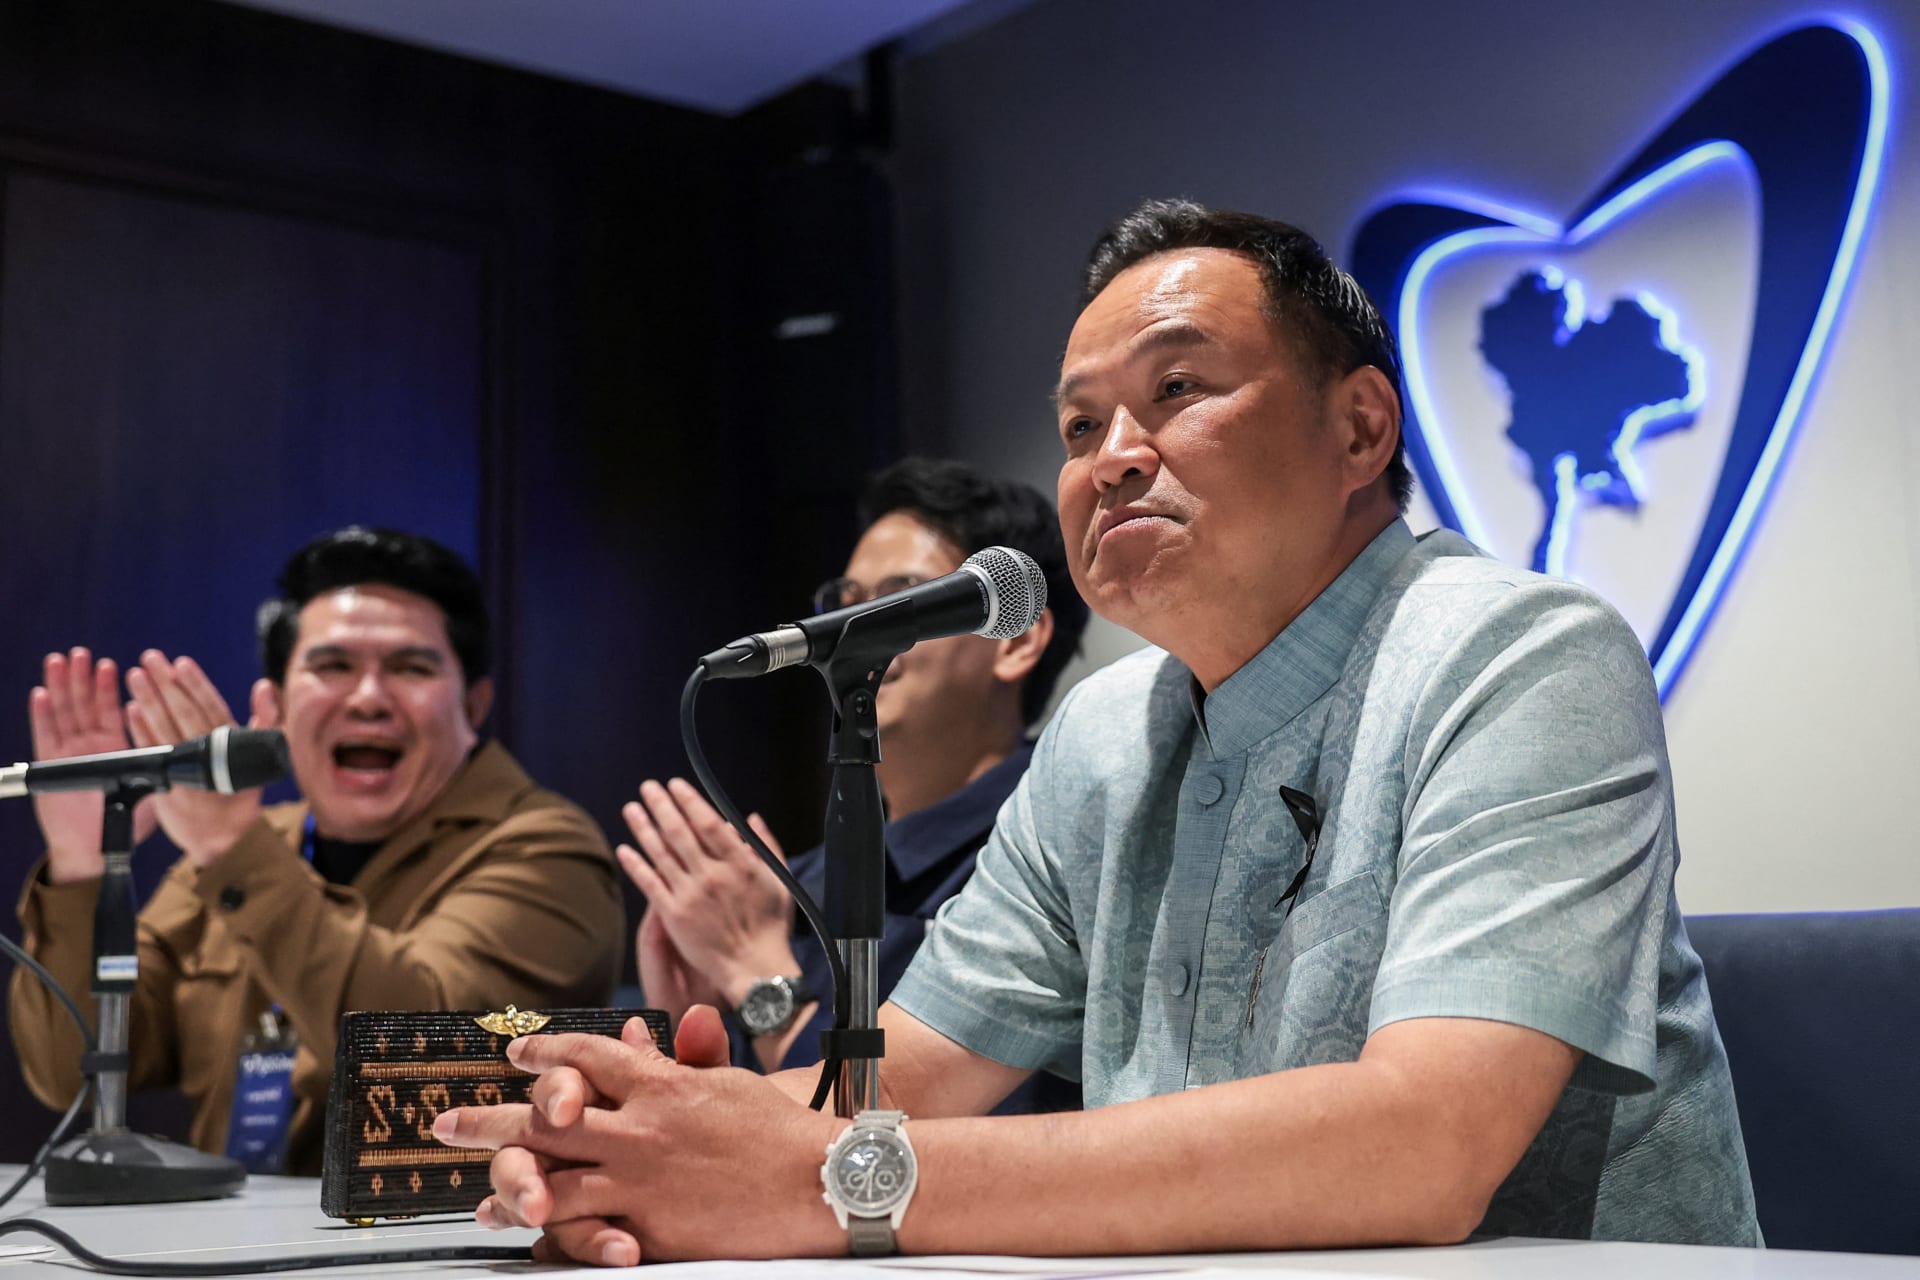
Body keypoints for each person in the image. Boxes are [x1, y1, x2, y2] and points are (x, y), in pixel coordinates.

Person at [434, 200, 1760, 1262]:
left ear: (1359, 428)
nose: (1111, 455)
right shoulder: (1098, 733)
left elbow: (1425, 1145)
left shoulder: (1522, 652)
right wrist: (617, 1146)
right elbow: (903, 1087)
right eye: (1079, 426)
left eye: (1180, 389)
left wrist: (832, 1179)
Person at [8, 527, 625, 1175]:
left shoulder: (547, 850)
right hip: (232, 1248)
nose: (368, 699)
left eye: (411, 668)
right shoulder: (249, 845)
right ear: (272, 705)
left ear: (474, 704)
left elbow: (422, 1055)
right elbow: (67, 1069)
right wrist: (82, 867)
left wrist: (230, 847)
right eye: (332, 667)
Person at [620, 457, 1086, 1114]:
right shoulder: (779, 888)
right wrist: (691, 1030)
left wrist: (758, 978)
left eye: (899, 597)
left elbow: (904, 1141)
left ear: (1013, 638)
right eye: (844, 602)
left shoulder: (1057, 852)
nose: (856, 630)